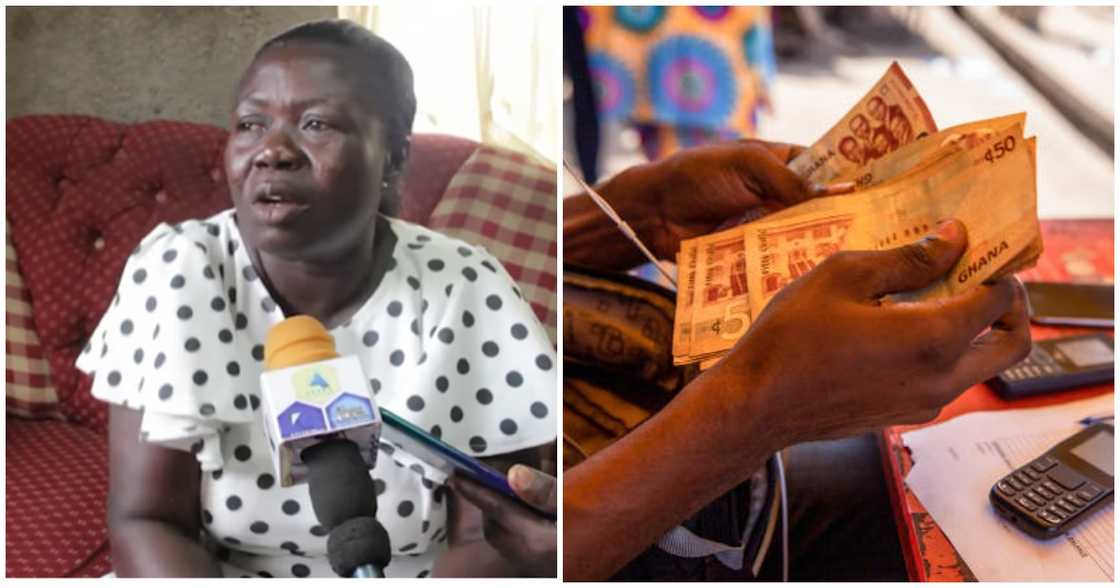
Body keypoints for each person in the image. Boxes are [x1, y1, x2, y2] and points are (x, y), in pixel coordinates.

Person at [76, 20, 556, 578]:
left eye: (315, 124)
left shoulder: (466, 286)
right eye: (251, 124)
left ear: (394, 159)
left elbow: (487, 540)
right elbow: (146, 521)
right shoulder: (176, 270)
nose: (272, 151)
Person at [557, 140, 1030, 580]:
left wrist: (639, 212)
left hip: (685, 458)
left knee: (917, 489)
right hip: (639, 526)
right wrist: (753, 415)